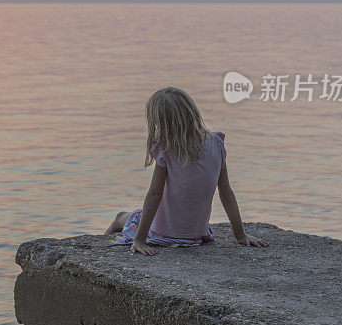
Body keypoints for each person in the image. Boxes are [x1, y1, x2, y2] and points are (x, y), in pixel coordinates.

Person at [105, 87, 268, 255]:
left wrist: (139, 240)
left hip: (164, 235)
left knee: (128, 217)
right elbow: (227, 194)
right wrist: (240, 234)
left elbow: (155, 194)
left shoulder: (166, 149)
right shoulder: (216, 143)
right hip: (196, 236)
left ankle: (110, 233)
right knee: (138, 214)